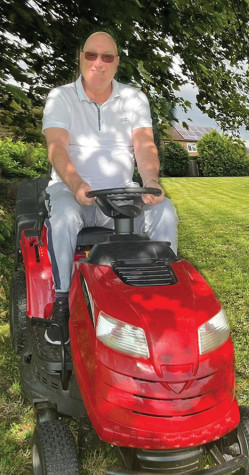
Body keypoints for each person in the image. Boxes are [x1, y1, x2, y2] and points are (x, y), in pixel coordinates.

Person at [42, 31, 178, 345]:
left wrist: (151, 182)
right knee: (62, 216)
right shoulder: (61, 97)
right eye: (91, 55)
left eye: (107, 57)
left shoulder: (134, 98)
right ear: (80, 58)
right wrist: (77, 184)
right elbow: (57, 148)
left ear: (116, 63)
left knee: (165, 211)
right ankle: (61, 302)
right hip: (72, 191)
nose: (98, 63)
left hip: (122, 192)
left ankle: (162, 299)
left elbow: (144, 146)